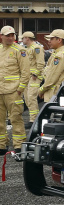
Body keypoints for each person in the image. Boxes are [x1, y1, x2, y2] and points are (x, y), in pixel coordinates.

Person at [0, 26, 29, 157]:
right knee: (0, 120)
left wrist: (20, 89)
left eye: (12, 35)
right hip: (0, 90)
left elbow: (25, 71)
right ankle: (1, 145)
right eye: (8, 35)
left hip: (13, 91)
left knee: (16, 118)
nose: (11, 37)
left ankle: (19, 145)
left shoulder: (20, 50)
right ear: (1, 36)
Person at [39, 30, 64, 104]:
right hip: (57, 93)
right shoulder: (58, 53)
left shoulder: (60, 55)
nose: (49, 41)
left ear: (59, 40)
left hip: (56, 94)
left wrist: (41, 90)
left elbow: (52, 77)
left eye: (51, 39)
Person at [20, 31, 45, 128]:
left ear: (27, 38)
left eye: (23, 38)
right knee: (27, 98)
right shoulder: (28, 49)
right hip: (28, 77)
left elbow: (41, 63)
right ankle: (32, 118)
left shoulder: (37, 48)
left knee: (31, 98)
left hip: (34, 78)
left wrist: (36, 73)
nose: (22, 40)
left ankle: (34, 120)